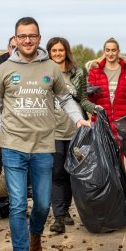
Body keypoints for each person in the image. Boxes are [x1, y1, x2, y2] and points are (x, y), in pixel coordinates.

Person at [0, 18, 89, 251]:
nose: (28, 40)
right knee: (19, 205)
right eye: (23, 36)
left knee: (43, 204)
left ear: (39, 38)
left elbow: (66, 98)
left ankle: (35, 234)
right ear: (16, 38)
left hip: (44, 146)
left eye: (32, 36)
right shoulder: (4, 69)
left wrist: (78, 119)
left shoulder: (50, 68)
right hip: (13, 147)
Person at [46, 37, 96, 234]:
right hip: (53, 132)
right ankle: (58, 216)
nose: (58, 54)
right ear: (49, 53)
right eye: (54, 51)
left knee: (71, 174)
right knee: (57, 173)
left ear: (66, 51)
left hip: (75, 132)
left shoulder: (78, 73)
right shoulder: (44, 73)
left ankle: (66, 210)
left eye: (61, 50)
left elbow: (82, 99)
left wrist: (95, 109)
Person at [87, 38, 126, 141]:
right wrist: (90, 94)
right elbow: (90, 101)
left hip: (122, 122)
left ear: (118, 51)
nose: (110, 53)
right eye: (107, 50)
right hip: (101, 121)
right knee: (103, 155)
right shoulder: (95, 72)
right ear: (104, 52)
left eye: (113, 50)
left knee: (119, 155)